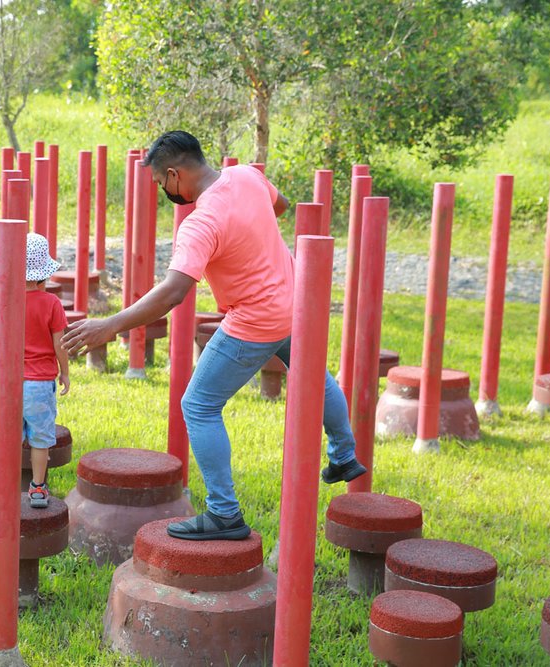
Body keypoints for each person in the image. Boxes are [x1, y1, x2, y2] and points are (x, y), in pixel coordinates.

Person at [62, 130, 366, 540]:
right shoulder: (246, 176)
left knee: (199, 405)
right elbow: (280, 205)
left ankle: (224, 513)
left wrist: (108, 325)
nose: (163, 191)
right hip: (295, 302)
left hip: (256, 319)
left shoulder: (201, 223)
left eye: (161, 183)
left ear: (174, 175)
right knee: (314, 376)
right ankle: (344, 453)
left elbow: (173, 292)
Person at [0, 234, 71, 508]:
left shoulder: (1, 300)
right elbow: (60, 344)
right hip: (40, 384)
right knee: (40, 438)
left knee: (8, 438)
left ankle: (3, 484)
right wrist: (65, 372)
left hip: (9, 382)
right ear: (43, 272)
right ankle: (37, 487)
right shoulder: (52, 304)